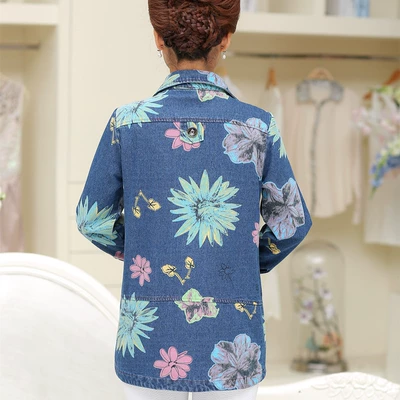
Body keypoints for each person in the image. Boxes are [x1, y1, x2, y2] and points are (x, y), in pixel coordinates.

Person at [76, 1, 312, 399]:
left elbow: (91, 219)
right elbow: (292, 225)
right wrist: (245, 259)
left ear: (158, 39)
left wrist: (141, 250)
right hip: (234, 340)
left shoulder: (128, 123)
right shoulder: (257, 126)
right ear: (225, 40)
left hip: (149, 334)